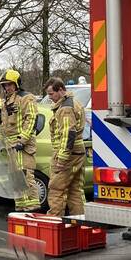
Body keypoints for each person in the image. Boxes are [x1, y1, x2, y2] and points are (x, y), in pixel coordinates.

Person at [0, 69, 41, 212]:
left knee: (25, 176)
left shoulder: (27, 98)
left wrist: (22, 140)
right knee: (15, 178)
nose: (7, 88)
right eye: (5, 85)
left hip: (22, 146)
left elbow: (31, 119)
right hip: (10, 146)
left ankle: (32, 207)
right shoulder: (6, 101)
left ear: (17, 84)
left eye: (10, 84)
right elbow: (4, 123)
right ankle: (21, 207)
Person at [44, 77, 86, 217]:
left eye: (51, 94)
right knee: (75, 191)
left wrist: (61, 158)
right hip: (77, 153)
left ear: (61, 90)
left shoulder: (65, 108)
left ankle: (54, 221)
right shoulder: (73, 103)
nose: (50, 97)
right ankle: (81, 221)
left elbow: (69, 133)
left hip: (67, 155)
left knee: (56, 189)